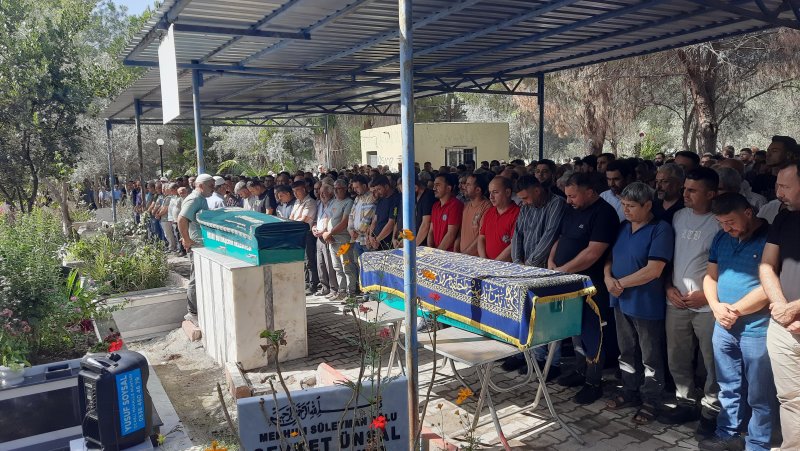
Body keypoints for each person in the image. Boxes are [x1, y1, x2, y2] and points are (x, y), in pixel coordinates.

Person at [698, 193, 775, 451]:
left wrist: (735, 311)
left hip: (757, 329)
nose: (726, 228)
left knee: (759, 394)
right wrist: (716, 307)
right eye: (721, 223)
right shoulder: (722, 237)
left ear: (748, 212)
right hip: (723, 325)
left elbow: (770, 286)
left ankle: (758, 444)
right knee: (727, 387)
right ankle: (727, 435)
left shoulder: (771, 238)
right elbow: (710, 277)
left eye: (730, 221)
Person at [604, 182, 673, 425]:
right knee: (626, 349)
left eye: (631, 206)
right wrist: (607, 277)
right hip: (620, 299)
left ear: (647, 205)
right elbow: (611, 257)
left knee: (650, 354)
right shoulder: (624, 227)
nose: (626, 210)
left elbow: (654, 270)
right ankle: (630, 390)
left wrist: (619, 283)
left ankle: (651, 399)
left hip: (645, 302)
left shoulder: (660, 229)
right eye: (623, 205)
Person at [549, 172, 620, 404]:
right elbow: (560, 238)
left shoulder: (604, 213)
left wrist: (563, 270)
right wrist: (552, 262)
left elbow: (593, 253)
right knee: (575, 330)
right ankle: (580, 371)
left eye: (573, 196)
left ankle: (594, 381)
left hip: (591, 286)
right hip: (567, 281)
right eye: (567, 196)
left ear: (590, 192)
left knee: (593, 334)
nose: (568, 200)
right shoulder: (572, 209)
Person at [659, 167, 720, 432]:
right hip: (676, 301)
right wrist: (667, 286)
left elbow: (727, 267)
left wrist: (707, 295)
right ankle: (685, 403)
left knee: (712, 361)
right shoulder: (678, 217)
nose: (685, 194)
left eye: (692, 190)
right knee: (678, 356)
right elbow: (667, 257)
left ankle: (711, 411)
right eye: (685, 188)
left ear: (711, 193)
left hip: (707, 306)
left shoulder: (720, 221)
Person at [760, 162, 800, 450]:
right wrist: (780, 307)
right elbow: (766, 266)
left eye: (784, 186)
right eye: (777, 185)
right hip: (783, 326)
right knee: (790, 399)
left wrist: (793, 309)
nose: (778, 193)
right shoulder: (783, 219)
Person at [177, 174, 215, 324]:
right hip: (196, 245)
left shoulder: (201, 199)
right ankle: (192, 312)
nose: (213, 189)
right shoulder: (194, 199)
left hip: (201, 244)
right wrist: (186, 239)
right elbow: (181, 219)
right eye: (210, 186)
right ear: (200, 186)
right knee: (195, 279)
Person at [325, 179, 357, 299]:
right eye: (334, 188)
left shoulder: (348, 202)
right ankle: (342, 291)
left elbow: (344, 222)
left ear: (345, 189)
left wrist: (329, 233)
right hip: (332, 239)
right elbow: (328, 217)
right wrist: (326, 233)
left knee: (346, 266)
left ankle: (351, 292)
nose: (336, 191)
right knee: (337, 267)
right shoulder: (333, 202)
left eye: (338, 188)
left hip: (343, 239)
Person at [477, 176, 520, 261]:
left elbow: (513, 245)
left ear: (507, 192)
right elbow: (481, 237)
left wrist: (495, 264)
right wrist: (483, 259)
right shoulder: (489, 212)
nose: (491, 197)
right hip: (487, 264)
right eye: (490, 192)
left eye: (495, 192)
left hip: (506, 267)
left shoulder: (518, 213)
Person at [289, 180, 318, 295]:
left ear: (304, 189)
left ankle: (313, 284)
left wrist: (293, 223)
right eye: (293, 191)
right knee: (302, 261)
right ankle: (305, 282)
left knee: (309, 260)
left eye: (297, 190)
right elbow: (291, 217)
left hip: (307, 234)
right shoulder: (297, 202)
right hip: (296, 234)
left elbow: (303, 219)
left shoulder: (310, 202)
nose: (295, 193)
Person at [456, 173, 491, 256]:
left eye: (468, 185)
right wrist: (456, 249)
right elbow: (461, 231)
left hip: (476, 258)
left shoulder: (487, 207)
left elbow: (481, 236)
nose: (464, 187)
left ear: (478, 190)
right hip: (463, 256)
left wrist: (465, 254)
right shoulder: (466, 206)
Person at [312, 183, 337, 297]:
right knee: (320, 263)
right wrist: (314, 227)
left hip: (327, 236)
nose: (321, 194)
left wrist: (324, 231)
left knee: (329, 264)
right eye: (320, 192)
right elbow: (317, 219)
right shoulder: (319, 204)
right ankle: (324, 287)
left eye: (324, 192)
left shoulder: (333, 203)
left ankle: (333, 289)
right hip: (318, 236)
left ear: (331, 192)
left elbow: (332, 220)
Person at [428, 173, 463, 252]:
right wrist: (431, 250)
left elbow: (451, 234)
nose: (434, 188)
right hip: (436, 252)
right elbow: (431, 231)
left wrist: (438, 254)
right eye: (434, 185)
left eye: (438, 185)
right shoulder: (435, 206)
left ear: (448, 188)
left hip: (449, 254)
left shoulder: (455, 205)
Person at [367, 175, 400, 250]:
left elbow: (391, 223)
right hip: (376, 241)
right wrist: (370, 236)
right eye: (375, 190)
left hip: (387, 244)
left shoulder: (396, 199)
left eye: (379, 189)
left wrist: (377, 240)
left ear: (386, 186)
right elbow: (374, 220)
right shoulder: (381, 199)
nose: (377, 192)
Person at [347, 174, 376, 260]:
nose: (355, 190)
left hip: (366, 240)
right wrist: (350, 230)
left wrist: (356, 232)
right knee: (360, 268)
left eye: (357, 187)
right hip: (357, 239)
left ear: (364, 186)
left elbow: (367, 218)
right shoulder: (357, 198)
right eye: (354, 188)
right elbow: (351, 215)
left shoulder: (371, 197)